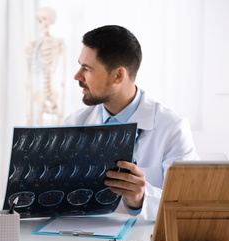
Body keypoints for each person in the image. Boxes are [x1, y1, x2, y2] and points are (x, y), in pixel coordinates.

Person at [64, 25, 199, 221]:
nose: (77, 76)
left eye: (87, 68)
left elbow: (189, 203)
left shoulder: (172, 128)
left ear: (118, 75)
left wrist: (141, 198)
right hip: (79, 236)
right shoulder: (73, 123)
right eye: (80, 65)